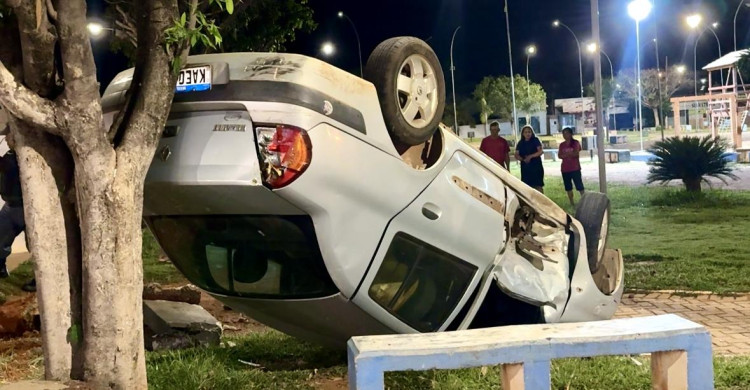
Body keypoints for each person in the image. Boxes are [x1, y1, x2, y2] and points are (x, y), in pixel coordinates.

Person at [0, 128, 26, 285]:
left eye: (10, 136)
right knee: (1, 237)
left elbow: (8, 168)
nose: (8, 139)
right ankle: (0, 267)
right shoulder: (10, 156)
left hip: (26, 208)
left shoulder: (23, 156)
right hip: (10, 206)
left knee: (35, 245)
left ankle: (39, 281)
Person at [558, 127, 584, 206]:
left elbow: (576, 153)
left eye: (567, 133)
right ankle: (571, 202)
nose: (565, 135)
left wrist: (565, 155)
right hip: (565, 169)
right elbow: (559, 155)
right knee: (568, 186)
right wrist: (569, 154)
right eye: (564, 133)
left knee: (579, 185)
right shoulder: (562, 145)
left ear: (571, 134)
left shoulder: (575, 143)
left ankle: (584, 200)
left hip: (575, 168)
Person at [514, 125, 544, 193]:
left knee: (538, 185)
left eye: (529, 132)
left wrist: (531, 156)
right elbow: (516, 154)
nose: (527, 134)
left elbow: (540, 151)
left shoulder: (535, 140)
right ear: (523, 133)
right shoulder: (520, 143)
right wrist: (522, 159)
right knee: (526, 186)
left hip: (536, 166)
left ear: (532, 133)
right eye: (526, 132)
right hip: (526, 168)